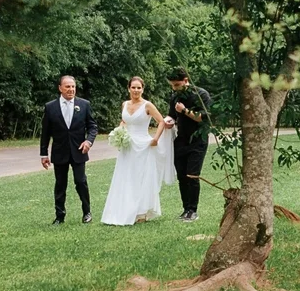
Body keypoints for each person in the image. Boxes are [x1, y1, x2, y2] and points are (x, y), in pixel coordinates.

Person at [101, 76, 175, 226]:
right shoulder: (125, 104)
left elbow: (161, 121)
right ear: (128, 88)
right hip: (127, 146)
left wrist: (155, 139)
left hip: (143, 146)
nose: (136, 90)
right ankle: (123, 209)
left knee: (141, 178)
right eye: (133, 87)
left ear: (143, 89)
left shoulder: (147, 105)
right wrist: (120, 131)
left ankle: (141, 212)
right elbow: (125, 121)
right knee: (125, 176)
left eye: (139, 88)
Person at [40, 75, 98, 225]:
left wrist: (88, 141)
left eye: (73, 86)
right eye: (67, 86)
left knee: (81, 181)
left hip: (79, 151)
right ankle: (60, 216)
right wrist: (44, 154)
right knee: (60, 184)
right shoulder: (50, 107)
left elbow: (92, 127)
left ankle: (87, 212)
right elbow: (45, 133)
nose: (71, 89)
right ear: (60, 88)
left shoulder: (84, 105)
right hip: (59, 151)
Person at [163, 67, 212, 222]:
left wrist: (184, 111)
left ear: (186, 80)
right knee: (182, 176)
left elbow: (204, 118)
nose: (174, 88)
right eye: (172, 85)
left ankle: (193, 210)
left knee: (192, 175)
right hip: (180, 140)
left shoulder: (201, 94)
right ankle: (185, 209)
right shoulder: (175, 96)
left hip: (198, 141)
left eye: (177, 85)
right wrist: (169, 121)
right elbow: (171, 115)